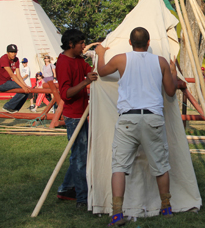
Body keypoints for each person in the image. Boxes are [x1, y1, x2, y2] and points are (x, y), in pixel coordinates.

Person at [96, 27, 178, 226]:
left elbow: (102, 72)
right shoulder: (161, 61)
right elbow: (170, 91)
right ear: (149, 43)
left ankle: (117, 214)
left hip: (128, 118)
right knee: (160, 165)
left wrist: (100, 54)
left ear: (130, 42)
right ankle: (166, 208)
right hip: (152, 118)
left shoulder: (120, 59)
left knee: (119, 167)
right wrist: (173, 72)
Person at [56, 29, 99, 209]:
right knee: (80, 157)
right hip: (73, 116)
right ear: (71, 44)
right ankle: (82, 198)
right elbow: (65, 94)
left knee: (80, 155)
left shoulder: (79, 60)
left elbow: (93, 71)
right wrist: (85, 82)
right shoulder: (63, 63)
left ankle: (66, 188)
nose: (83, 46)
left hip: (82, 113)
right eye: (81, 43)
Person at [0, 44, 31, 113]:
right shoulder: (4, 59)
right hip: (0, 83)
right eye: (11, 52)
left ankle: (15, 109)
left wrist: (25, 86)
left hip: (8, 82)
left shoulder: (16, 60)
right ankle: (8, 106)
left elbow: (18, 75)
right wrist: (23, 86)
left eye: (15, 52)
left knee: (26, 91)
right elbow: (12, 74)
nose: (13, 54)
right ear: (7, 52)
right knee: (22, 89)